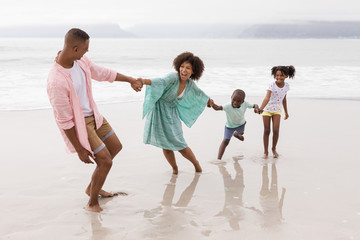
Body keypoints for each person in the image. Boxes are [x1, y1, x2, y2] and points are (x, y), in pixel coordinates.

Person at [47, 28, 143, 212]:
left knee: (115, 147)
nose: (87, 52)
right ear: (75, 48)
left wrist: (130, 79)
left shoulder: (81, 61)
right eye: (85, 48)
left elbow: (102, 73)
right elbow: (65, 121)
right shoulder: (56, 81)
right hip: (81, 125)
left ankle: (92, 187)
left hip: (94, 115)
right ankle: (92, 203)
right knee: (105, 161)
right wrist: (80, 150)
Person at [141, 52, 214, 174]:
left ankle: (196, 165)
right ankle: (174, 169)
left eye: (188, 68)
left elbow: (199, 94)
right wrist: (143, 81)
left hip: (171, 113)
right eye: (182, 66)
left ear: (193, 71)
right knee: (165, 143)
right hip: (159, 111)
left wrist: (208, 100)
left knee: (180, 143)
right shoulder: (173, 77)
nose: (184, 70)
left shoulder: (190, 85)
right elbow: (160, 81)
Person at [212, 89, 260, 160]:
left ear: (242, 102)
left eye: (238, 101)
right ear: (231, 97)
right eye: (234, 100)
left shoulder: (245, 104)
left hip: (241, 124)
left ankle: (237, 134)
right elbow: (217, 108)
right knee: (225, 142)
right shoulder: (227, 106)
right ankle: (218, 159)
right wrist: (211, 103)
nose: (235, 102)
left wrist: (257, 109)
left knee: (241, 135)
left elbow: (255, 105)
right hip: (229, 126)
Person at [259, 65, 295, 158]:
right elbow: (267, 98)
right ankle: (265, 152)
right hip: (267, 109)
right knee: (267, 130)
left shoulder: (286, 86)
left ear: (286, 76)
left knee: (276, 130)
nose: (279, 77)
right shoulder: (272, 85)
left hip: (277, 110)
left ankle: (274, 149)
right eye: (277, 75)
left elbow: (284, 99)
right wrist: (261, 108)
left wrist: (286, 112)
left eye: (281, 75)